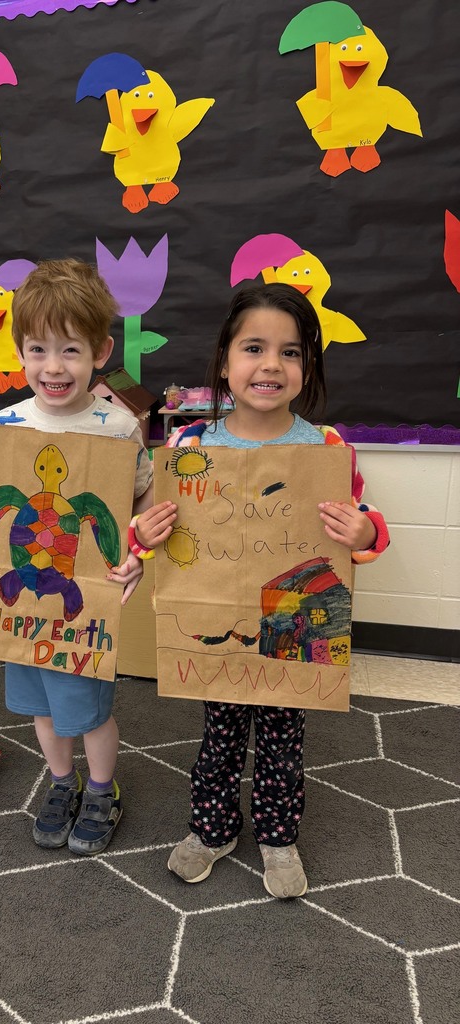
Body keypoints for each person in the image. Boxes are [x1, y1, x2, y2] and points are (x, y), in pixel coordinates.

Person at [132, 282, 389, 898]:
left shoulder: (327, 450)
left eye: (292, 352)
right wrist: (142, 533)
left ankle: (278, 836)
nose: (271, 364)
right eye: (253, 348)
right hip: (216, 625)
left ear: (309, 367)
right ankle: (213, 827)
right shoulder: (190, 448)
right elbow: (158, 535)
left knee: (281, 740)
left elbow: (364, 526)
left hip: (294, 624)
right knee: (218, 735)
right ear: (224, 362)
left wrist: (364, 530)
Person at [0, 258, 153, 855]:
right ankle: (61, 783)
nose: (53, 367)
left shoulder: (117, 426)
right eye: (37, 350)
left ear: (100, 350)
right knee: (37, 703)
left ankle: (102, 790)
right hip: (19, 607)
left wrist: (136, 549)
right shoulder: (6, 423)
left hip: (79, 605)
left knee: (85, 711)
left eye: (69, 350)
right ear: (19, 352)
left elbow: (144, 494)